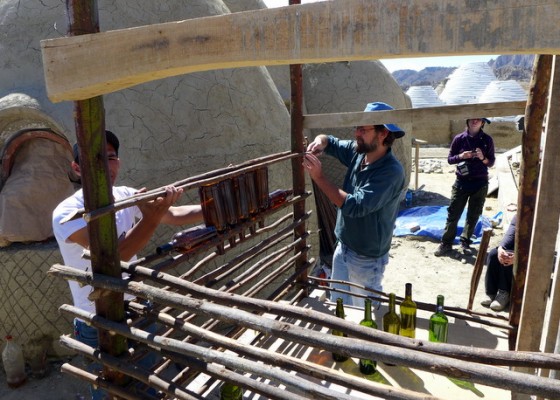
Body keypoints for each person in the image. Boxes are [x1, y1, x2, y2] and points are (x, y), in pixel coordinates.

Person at [52, 130, 202, 399]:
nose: (106, 165)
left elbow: (175, 214)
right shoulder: (66, 213)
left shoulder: (125, 194)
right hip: (97, 319)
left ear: (118, 162)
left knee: (145, 384)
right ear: (77, 167)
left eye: (111, 157)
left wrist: (216, 208)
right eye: (95, 158)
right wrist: (150, 219)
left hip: (136, 306)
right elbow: (114, 257)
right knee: (108, 391)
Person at [303, 102, 406, 308]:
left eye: (363, 129)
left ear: (383, 134)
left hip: (366, 258)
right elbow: (329, 141)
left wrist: (319, 177)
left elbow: (355, 206)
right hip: (344, 246)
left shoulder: (390, 172)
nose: (357, 133)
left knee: (364, 314)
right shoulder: (360, 152)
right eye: (357, 127)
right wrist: (319, 142)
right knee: (340, 305)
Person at [434, 118, 495, 256]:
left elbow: (490, 162)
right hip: (461, 182)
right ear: (467, 121)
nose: (475, 122)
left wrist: (482, 157)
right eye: (472, 119)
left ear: (482, 123)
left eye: (478, 120)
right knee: (453, 213)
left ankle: (465, 243)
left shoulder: (487, 140)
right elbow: (450, 159)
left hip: (480, 183)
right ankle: (446, 243)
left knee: (473, 215)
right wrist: (461, 156)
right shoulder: (459, 139)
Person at [481, 215, 516, 311]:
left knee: (508, 258)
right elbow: (511, 233)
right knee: (493, 254)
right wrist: (501, 248)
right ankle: (490, 292)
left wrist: (520, 256)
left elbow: (540, 248)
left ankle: (504, 293)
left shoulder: (542, 220)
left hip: (532, 255)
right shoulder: (519, 215)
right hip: (517, 249)